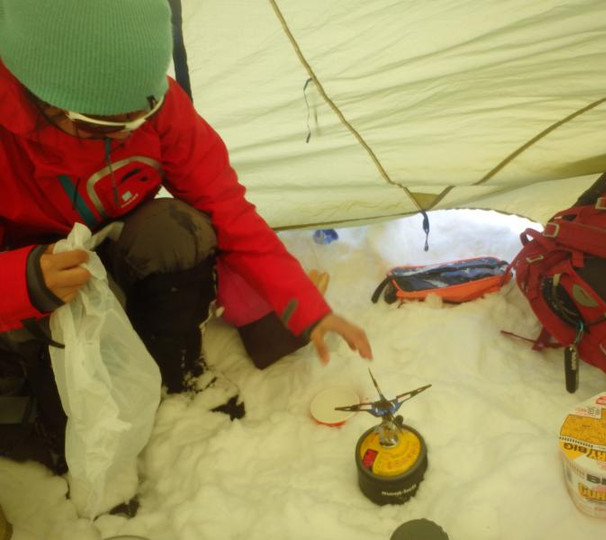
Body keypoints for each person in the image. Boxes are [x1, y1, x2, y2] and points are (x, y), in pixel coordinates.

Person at [0, 0, 372, 470]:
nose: (129, 132)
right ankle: (51, 408)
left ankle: (177, 371)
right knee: (72, 425)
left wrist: (304, 306)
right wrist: (25, 281)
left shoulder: (155, 108)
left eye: (143, 111)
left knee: (179, 229)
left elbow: (225, 206)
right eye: (105, 124)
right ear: (42, 96)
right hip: (31, 275)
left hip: (110, 247)